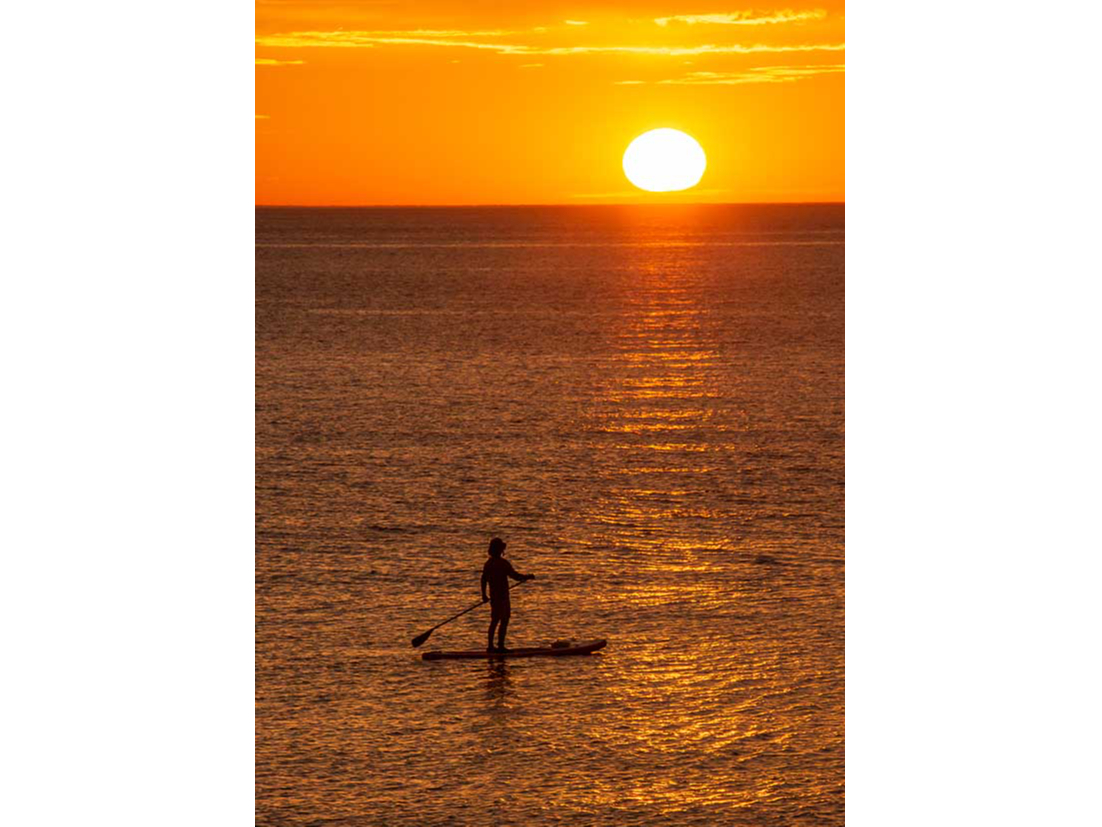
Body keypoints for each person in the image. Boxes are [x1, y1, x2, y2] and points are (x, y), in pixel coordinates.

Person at [481, 537, 534, 652]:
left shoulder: (489, 564)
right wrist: (527, 577)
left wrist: (484, 595)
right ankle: (497, 646)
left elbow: (483, 580)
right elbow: (515, 576)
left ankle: (493, 646)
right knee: (501, 620)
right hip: (501, 597)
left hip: (496, 596)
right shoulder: (501, 563)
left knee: (496, 620)